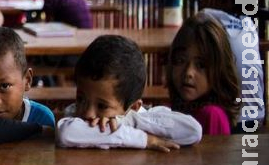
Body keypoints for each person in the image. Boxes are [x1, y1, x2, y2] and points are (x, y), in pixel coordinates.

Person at [56, 35, 202, 150]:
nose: (88, 113)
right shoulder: (75, 114)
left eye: (102, 106)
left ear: (133, 107)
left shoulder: (145, 117)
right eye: (81, 99)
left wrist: (127, 121)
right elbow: (66, 134)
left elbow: (193, 131)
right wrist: (145, 140)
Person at [199, 0, 265, 127]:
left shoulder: (206, 17)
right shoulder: (248, 25)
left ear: (224, 0)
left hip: (230, 120)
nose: (202, 0)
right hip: (256, 117)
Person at [167, 13, 241, 135]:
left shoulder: (212, 115)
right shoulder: (183, 106)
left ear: (219, 71)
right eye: (181, 60)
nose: (188, 73)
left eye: (201, 65)